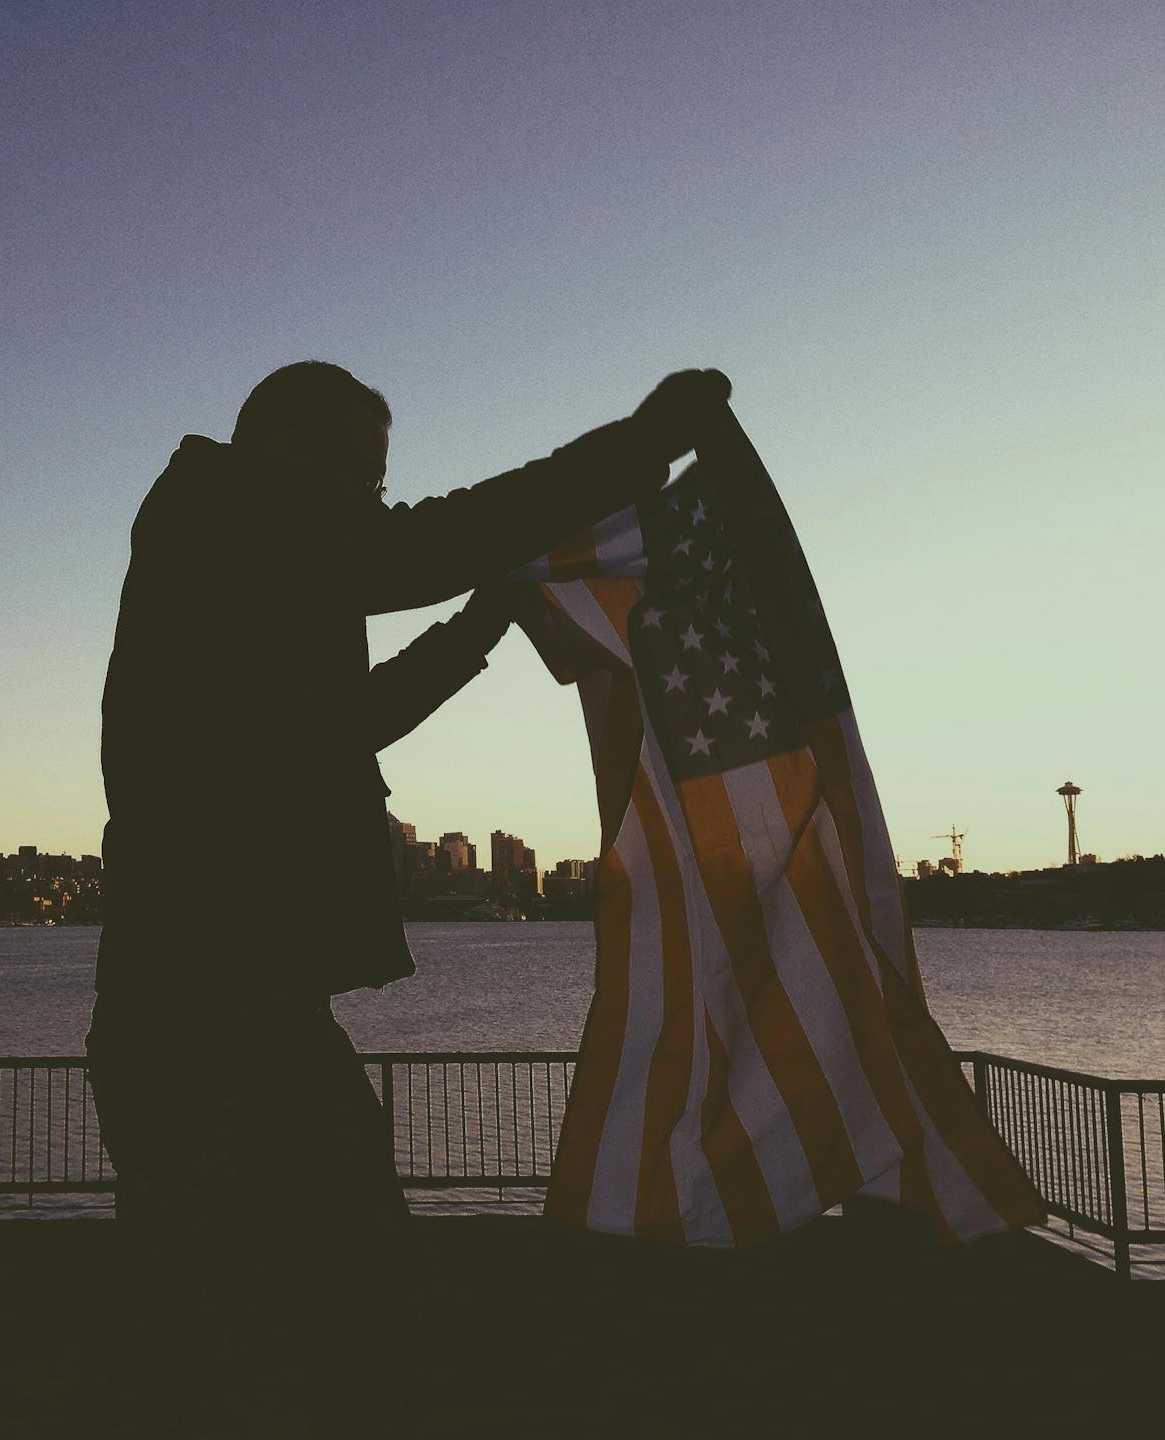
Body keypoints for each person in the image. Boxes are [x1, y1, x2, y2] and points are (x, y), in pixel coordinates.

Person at [87, 361, 732, 1249]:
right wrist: (636, 449)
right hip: (202, 1019)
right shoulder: (221, 510)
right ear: (280, 447)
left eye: (376, 482)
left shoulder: (241, 554)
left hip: (223, 1002)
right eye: (356, 475)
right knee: (312, 1277)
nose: (370, 499)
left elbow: (348, 722)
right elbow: (418, 548)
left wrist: (485, 617)